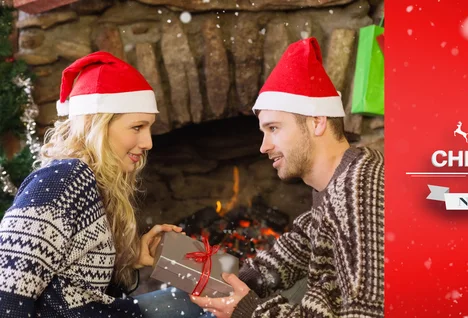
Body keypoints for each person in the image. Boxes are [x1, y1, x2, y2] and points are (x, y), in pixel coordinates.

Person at [0, 52, 209, 317]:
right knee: (200, 306)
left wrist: (130, 257)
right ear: (97, 125)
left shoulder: (91, 182)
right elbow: (7, 295)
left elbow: (75, 285)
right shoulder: (61, 182)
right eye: (137, 127)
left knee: (197, 301)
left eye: (149, 128)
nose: (148, 143)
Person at [191, 37, 385, 317]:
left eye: (274, 128)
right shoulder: (339, 180)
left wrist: (249, 310)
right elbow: (305, 241)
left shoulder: (360, 196)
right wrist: (241, 282)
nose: (263, 146)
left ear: (316, 122)